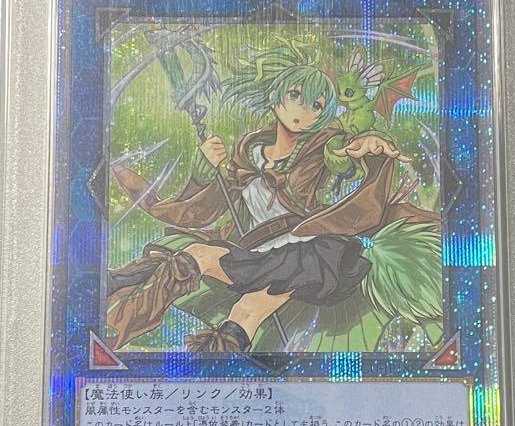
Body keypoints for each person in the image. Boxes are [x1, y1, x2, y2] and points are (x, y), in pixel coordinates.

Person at [107, 40, 437, 352]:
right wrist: (203, 170)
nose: (302, 110)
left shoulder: (322, 148)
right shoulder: (248, 153)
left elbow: (342, 152)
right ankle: (118, 305)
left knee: (236, 295)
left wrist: (367, 143)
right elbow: (204, 210)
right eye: (295, 95)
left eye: (316, 105)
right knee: (218, 281)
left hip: (308, 251)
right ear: (276, 97)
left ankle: (200, 365)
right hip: (256, 249)